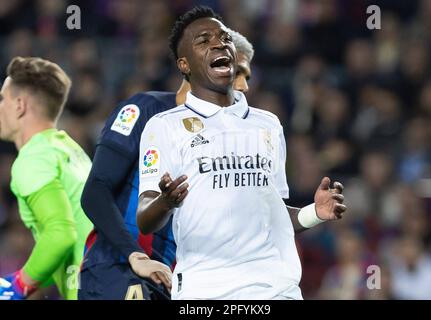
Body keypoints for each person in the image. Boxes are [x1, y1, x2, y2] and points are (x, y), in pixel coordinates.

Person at [137, 6, 346, 300]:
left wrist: (315, 213)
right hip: (205, 292)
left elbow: (270, 214)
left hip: (275, 290)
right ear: (184, 64)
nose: (218, 43)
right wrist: (166, 201)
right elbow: (145, 219)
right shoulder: (164, 127)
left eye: (224, 38)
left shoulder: (268, 124)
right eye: (203, 40)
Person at [78, 28, 254, 300]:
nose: (243, 86)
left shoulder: (229, 142)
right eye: (235, 71)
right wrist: (134, 254)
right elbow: (95, 191)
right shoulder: (145, 109)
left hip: (177, 284)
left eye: (245, 76)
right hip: (122, 270)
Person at [0, 57, 93, 300]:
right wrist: (33, 282)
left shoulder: (33, 158)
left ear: (19, 105)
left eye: (3, 99)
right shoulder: (69, 149)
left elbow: (61, 233)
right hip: (109, 282)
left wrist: (19, 284)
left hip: (90, 290)